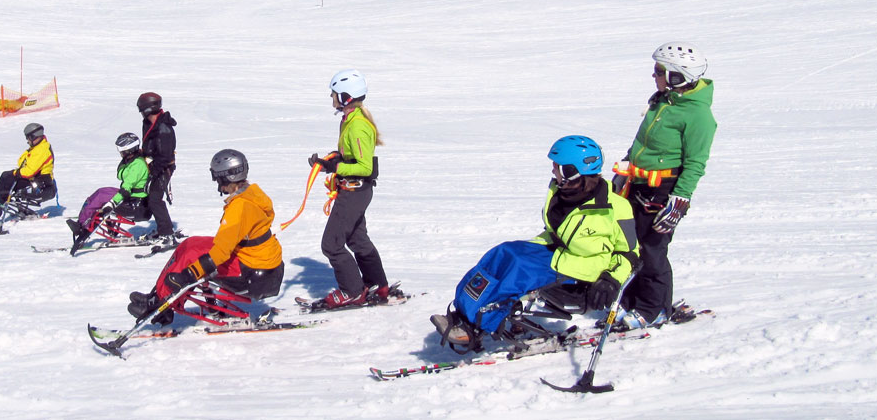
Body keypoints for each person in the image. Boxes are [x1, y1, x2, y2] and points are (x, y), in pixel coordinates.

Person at [429, 136, 639, 349]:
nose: (553, 172)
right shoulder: (561, 192)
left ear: (571, 171)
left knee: (518, 270)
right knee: (503, 253)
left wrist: (611, 279)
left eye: (557, 167)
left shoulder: (616, 208)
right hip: (557, 250)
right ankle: (464, 313)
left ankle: (478, 326)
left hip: (582, 266)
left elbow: (630, 253)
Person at [610, 41, 717, 329]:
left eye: (659, 71)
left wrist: (679, 199)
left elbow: (696, 163)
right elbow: (641, 142)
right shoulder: (662, 101)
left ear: (677, 76)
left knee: (652, 249)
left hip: (662, 190)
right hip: (636, 183)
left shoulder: (698, 116)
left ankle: (653, 308)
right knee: (629, 245)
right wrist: (625, 166)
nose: (654, 75)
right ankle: (631, 302)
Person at [126, 149, 284, 324]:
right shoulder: (251, 194)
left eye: (217, 178)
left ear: (225, 177)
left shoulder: (239, 208)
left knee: (192, 257)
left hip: (252, 272)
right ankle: (157, 295)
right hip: (260, 263)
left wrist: (189, 275)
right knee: (190, 244)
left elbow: (220, 253)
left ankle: (161, 307)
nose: (217, 182)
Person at [305, 69, 388, 309]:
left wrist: (336, 167)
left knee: (331, 244)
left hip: (355, 192)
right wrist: (328, 164)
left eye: (334, 95)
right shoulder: (350, 120)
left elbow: (363, 166)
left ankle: (352, 291)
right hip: (353, 190)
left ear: (346, 97)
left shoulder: (357, 126)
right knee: (357, 239)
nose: (332, 99)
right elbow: (349, 158)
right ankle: (378, 285)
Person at [66, 133, 150, 251]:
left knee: (101, 196)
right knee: (101, 192)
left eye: (121, 150)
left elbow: (126, 187)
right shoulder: (133, 161)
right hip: (133, 197)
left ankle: (81, 226)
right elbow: (122, 176)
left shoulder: (137, 165)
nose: (120, 153)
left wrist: (111, 204)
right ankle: (83, 220)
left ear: (129, 150)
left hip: (135, 203)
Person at [0, 122, 55, 219]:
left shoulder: (42, 150)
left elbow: (30, 171)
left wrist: (16, 173)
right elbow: (21, 162)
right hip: (35, 180)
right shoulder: (36, 148)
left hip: (41, 184)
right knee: (6, 179)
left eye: (28, 138)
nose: (27, 141)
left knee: (7, 178)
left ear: (33, 136)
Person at [138, 92, 178, 245]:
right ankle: (162, 228)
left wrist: (154, 173)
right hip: (153, 165)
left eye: (142, 109)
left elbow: (165, 156)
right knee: (149, 196)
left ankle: (167, 233)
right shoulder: (149, 123)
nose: (141, 113)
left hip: (163, 167)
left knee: (155, 198)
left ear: (148, 108)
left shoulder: (163, 128)